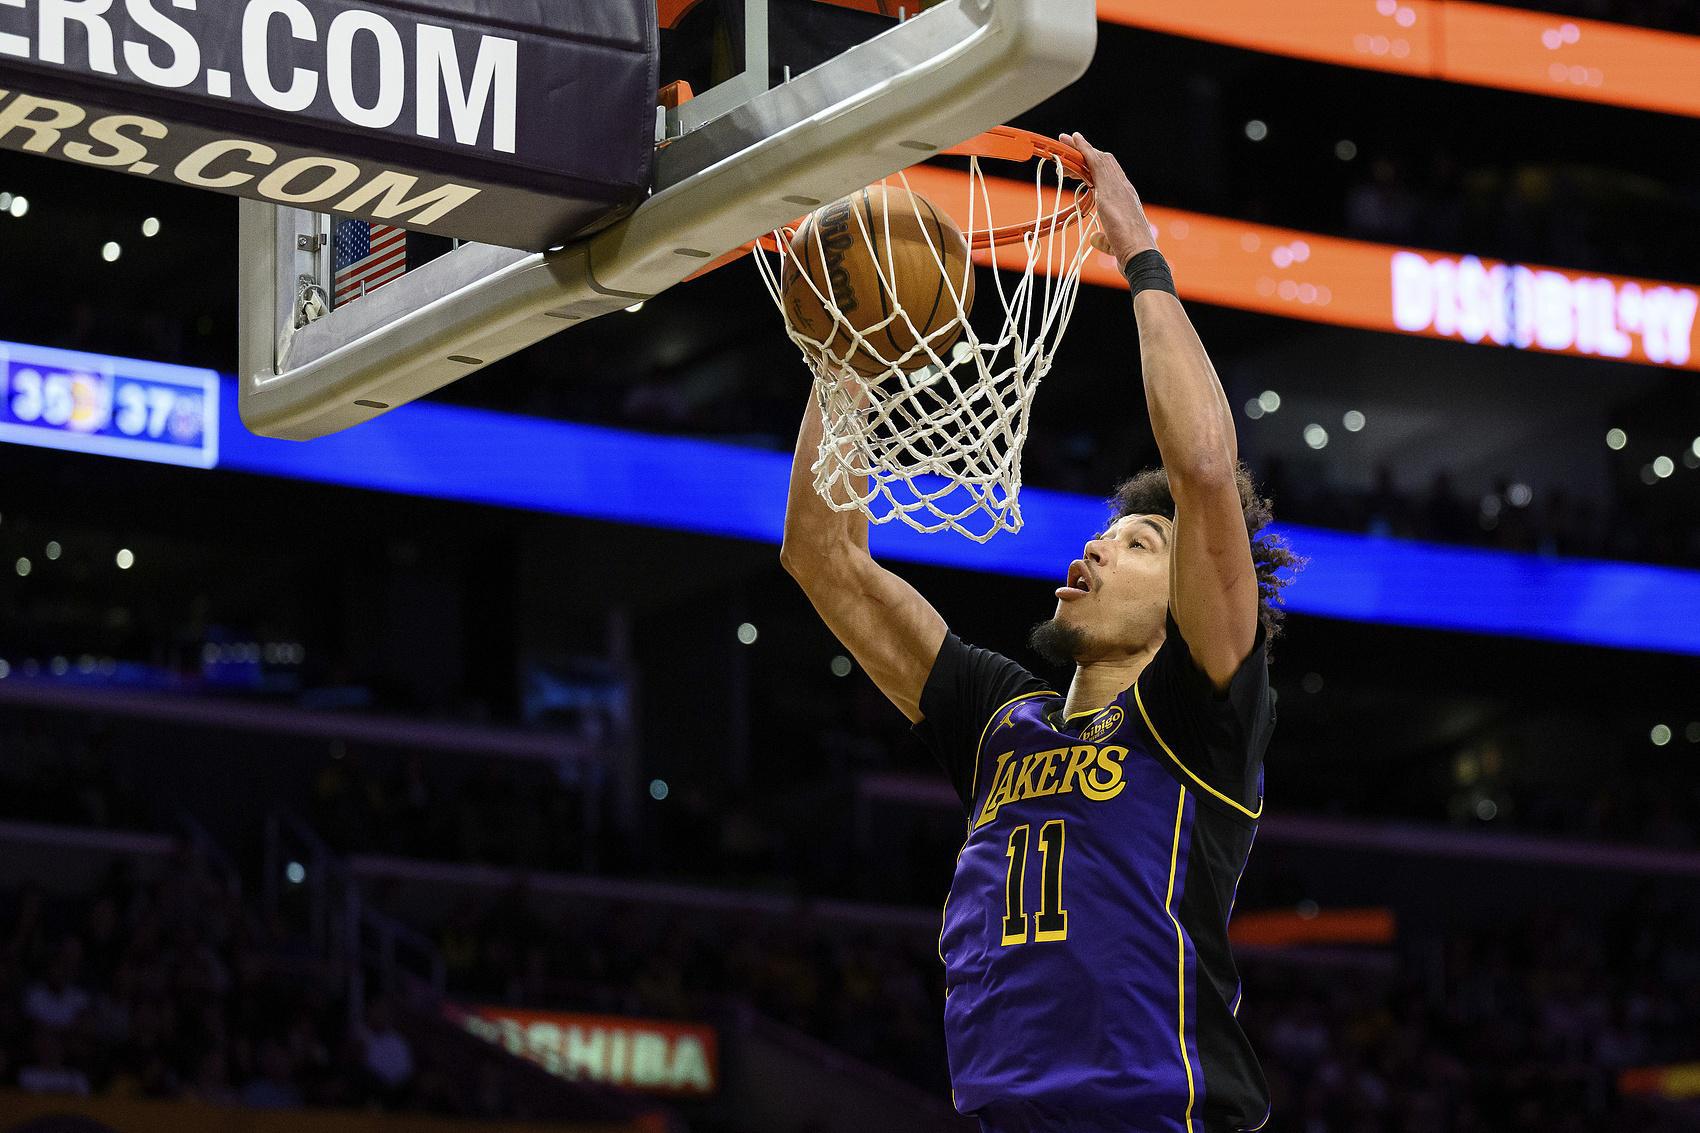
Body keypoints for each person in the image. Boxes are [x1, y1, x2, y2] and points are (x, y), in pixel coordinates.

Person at [780, 133, 1299, 1131]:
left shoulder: (1200, 714)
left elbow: (1201, 469)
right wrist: (847, 358)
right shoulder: (999, 718)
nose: (1097, 547)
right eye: (1106, 533)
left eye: (1139, 545)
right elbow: (823, 555)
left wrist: (1138, 254)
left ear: (1186, 601)